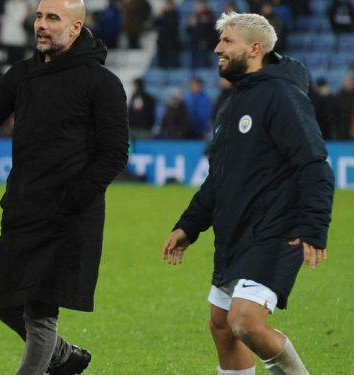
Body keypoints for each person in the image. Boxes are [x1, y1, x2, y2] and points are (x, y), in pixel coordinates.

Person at [0, 0, 129, 373]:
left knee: (40, 315)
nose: (41, 26)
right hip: (24, 207)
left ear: (76, 27)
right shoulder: (23, 74)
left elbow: (114, 154)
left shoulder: (102, 83)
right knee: (1, 302)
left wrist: (74, 199)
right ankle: (65, 358)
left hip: (68, 215)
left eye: (52, 18)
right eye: (38, 17)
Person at [162, 12, 334, 375]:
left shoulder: (283, 96)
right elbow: (218, 178)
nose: (217, 48)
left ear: (255, 49)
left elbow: (315, 164)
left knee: (246, 322)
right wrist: (188, 227)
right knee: (222, 326)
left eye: (227, 41)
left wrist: (314, 227)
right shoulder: (232, 105)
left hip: (277, 230)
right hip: (236, 232)